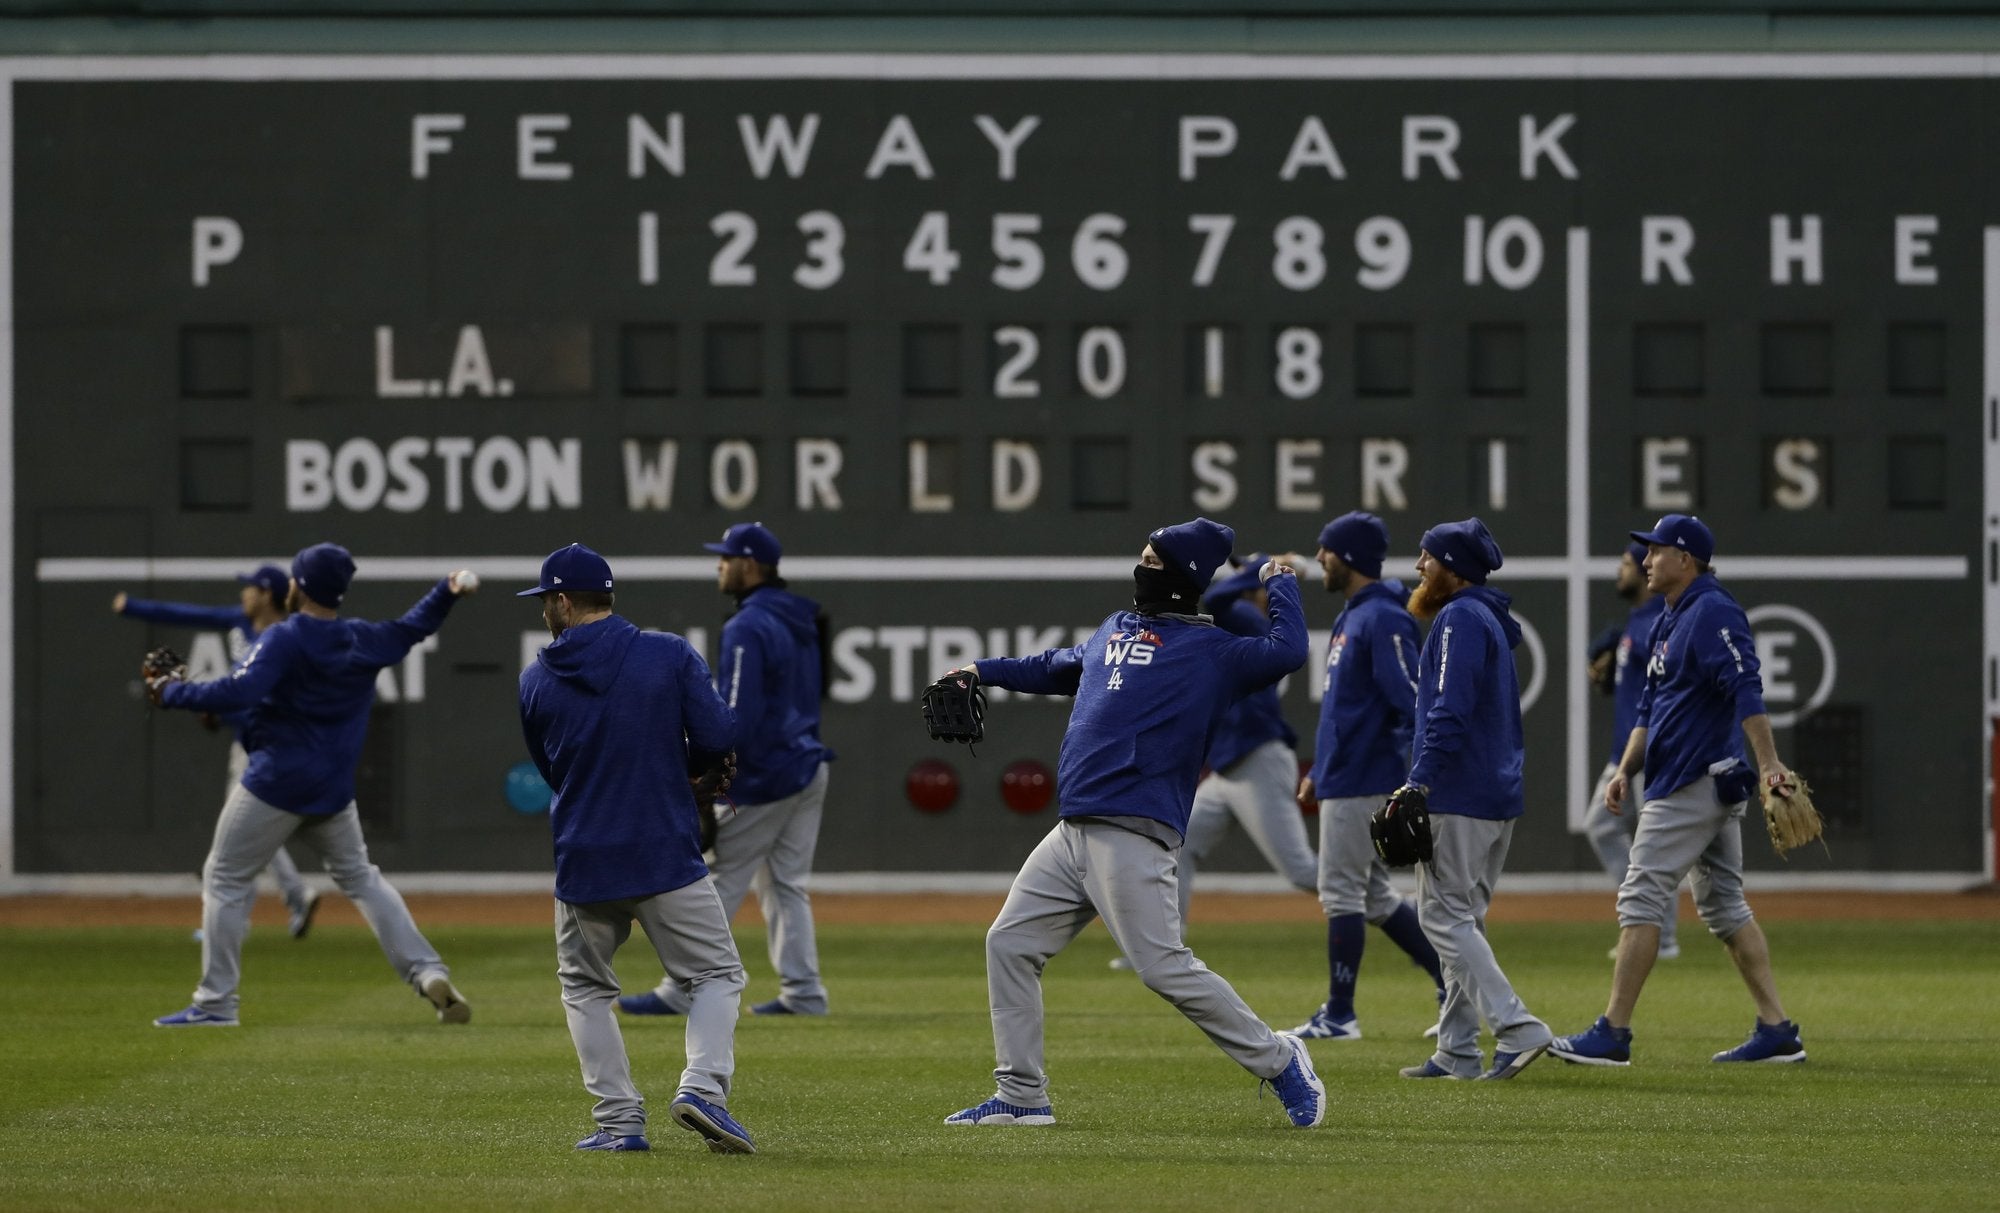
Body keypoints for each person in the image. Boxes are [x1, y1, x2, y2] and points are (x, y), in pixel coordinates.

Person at [941, 518, 1325, 1129]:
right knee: (1009, 943)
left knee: (1163, 967)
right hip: (1073, 828)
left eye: (1152, 557)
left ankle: (1281, 1061)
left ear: (1179, 575)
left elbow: (1288, 650)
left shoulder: (1215, 651)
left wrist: (1277, 581)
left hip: (1136, 825)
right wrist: (980, 671)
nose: (1141, 565)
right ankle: (1022, 1096)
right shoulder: (1114, 628)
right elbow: (1052, 666)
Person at [146, 543, 474, 1028]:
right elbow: (414, 627)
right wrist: (446, 592)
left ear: (298, 585)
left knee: (225, 877)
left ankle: (216, 1004)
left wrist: (172, 691)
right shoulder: (360, 638)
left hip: (276, 783)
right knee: (362, 879)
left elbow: (239, 691)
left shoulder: (286, 637)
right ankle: (427, 971)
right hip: (332, 790)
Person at [517, 543, 757, 1154]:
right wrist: (688, 771)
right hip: (662, 850)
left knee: (586, 989)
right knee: (717, 975)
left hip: (583, 855)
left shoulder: (536, 677)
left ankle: (619, 1122)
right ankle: (702, 1087)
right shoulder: (667, 653)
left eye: (547, 599)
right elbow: (718, 733)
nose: (545, 609)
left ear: (565, 601)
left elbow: (554, 770)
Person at [1552, 514, 1808, 1067]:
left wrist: (1769, 765)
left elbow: (1746, 687)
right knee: (1724, 907)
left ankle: (1613, 1033)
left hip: (1695, 778)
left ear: (1685, 559)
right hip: (1678, 775)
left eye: (1657, 551)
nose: (1646, 560)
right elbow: (1650, 709)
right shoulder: (1670, 616)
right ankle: (1777, 1030)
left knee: (1641, 895)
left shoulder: (1713, 610)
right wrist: (1624, 770)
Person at [620, 522, 834, 1019]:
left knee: (714, 879)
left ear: (750, 565)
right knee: (786, 884)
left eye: (726, 557)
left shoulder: (747, 625)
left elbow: (736, 713)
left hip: (766, 775)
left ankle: (681, 990)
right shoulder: (800, 616)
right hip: (807, 762)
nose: (719, 564)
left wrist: (707, 765)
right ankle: (804, 993)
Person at [1394, 518, 1554, 1082]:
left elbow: (1450, 708)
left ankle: (1517, 1027)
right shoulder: (1485, 616)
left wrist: (1419, 780)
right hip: (1493, 792)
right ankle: (1458, 1048)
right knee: (1464, 920)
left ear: (1453, 567)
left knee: (1441, 916)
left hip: (1458, 792)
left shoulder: (1461, 617)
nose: (1418, 566)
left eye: (1427, 556)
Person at [1289, 512, 1447, 1042]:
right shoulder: (1354, 615)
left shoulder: (1383, 617)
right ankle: (1450, 980)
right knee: (1375, 896)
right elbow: (1344, 706)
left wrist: (1409, 771)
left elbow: (1412, 698)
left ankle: (1340, 1013)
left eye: (1326, 548)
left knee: (1339, 893)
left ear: (1350, 556)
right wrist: (1320, 768)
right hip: (1345, 774)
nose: (1318, 557)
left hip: (1366, 776)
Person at [115, 566, 320, 938]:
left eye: (250, 588)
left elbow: (271, 700)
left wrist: (218, 711)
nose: (243, 594)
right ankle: (289, 897)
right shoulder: (238, 623)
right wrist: (134, 608)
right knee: (249, 833)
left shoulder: (286, 639)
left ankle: (239, 919)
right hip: (248, 740)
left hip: (270, 746)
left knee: (243, 834)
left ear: (268, 594)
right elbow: (184, 614)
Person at [1146, 552, 1316, 949]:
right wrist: (1252, 570)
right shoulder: (1242, 622)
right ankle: (1166, 946)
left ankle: (1394, 905)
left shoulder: (1254, 622)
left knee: (1302, 871)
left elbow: (1219, 599)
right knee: (1178, 846)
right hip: (1228, 769)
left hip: (1258, 759)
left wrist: (1256, 567)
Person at [1579, 541, 1677, 961]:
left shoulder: (1659, 620)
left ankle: (1660, 934)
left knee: (1650, 849)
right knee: (1605, 828)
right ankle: (1651, 925)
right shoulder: (1638, 621)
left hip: (1646, 752)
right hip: (1624, 753)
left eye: (1625, 564)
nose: (1620, 571)